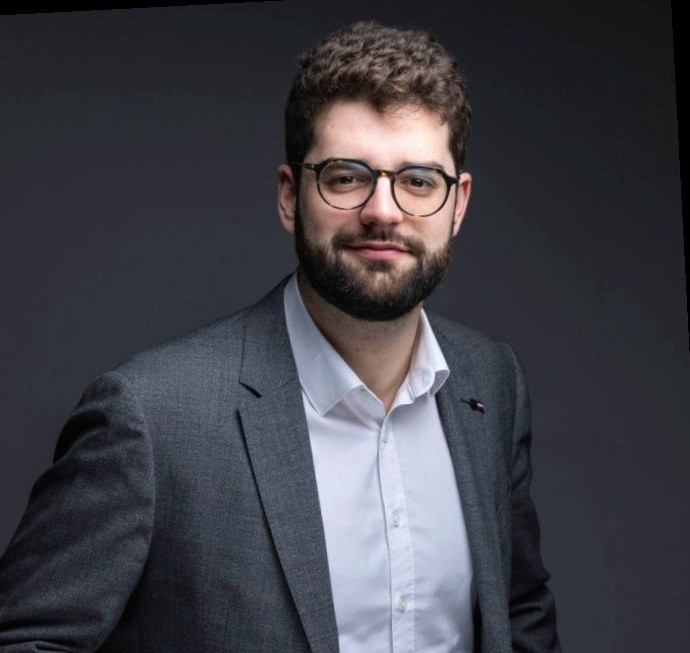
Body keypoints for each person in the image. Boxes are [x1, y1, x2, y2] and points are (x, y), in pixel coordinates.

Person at [0, 21, 560, 653]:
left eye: (418, 181)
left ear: (457, 205)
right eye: (346, 177)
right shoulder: (152, 418)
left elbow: (520, 614)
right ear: (291, 196)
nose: (383, 210)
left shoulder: (491, 382)